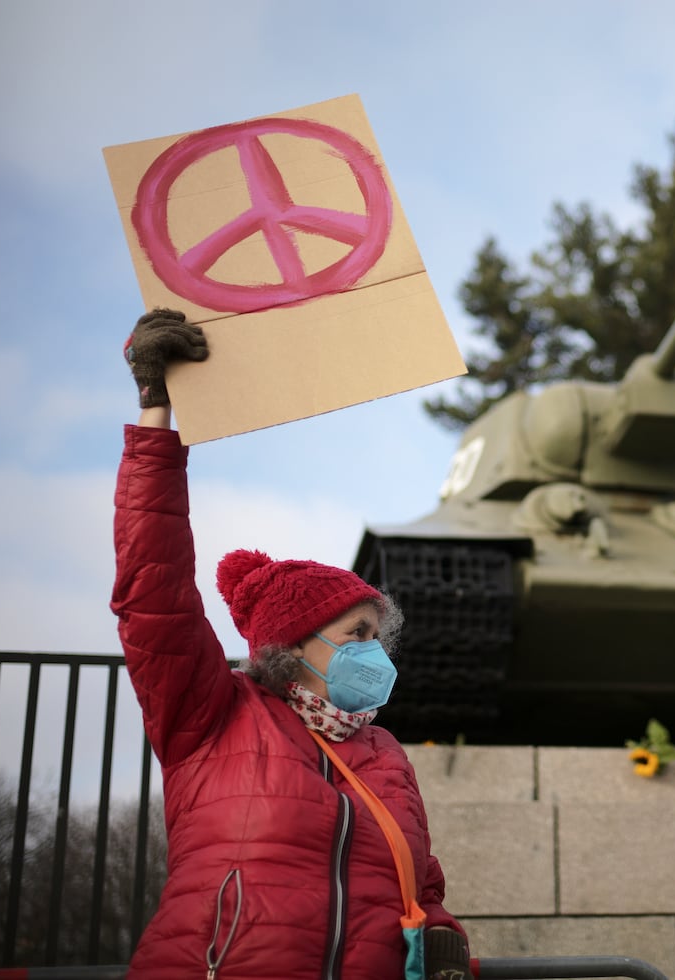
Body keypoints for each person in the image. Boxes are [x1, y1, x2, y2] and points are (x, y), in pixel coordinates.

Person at [111, 309, 473, 980]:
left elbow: (417, 889)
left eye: (377, 636)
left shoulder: (383, 754)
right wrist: (157, 416)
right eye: (355, 635)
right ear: (291, 647)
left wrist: (445, 938)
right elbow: (151, 592)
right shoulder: (212, 718)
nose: (375, 652)